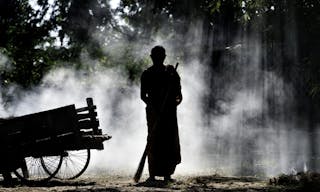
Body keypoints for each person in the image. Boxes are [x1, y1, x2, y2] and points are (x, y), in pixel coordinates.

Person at [140, 46, 182, 182]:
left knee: (169, 141)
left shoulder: (170, 73)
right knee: (154, 141)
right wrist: (153, 107)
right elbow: (143, 96)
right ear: (152, 58)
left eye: (160, 56)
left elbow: (178, 95)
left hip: (168, 113)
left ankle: (167, 174)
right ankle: (152, 174)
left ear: (164, 57)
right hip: (153, 114)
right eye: (156, 56)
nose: (158, 59)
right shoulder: (147, 74)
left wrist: (172, 104)